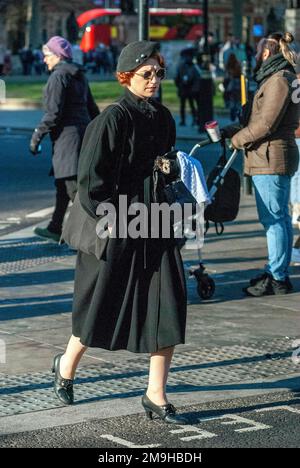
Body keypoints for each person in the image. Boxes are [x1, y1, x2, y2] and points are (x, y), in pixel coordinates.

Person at [51, 40, 188, 424]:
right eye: (147, 74)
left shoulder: (163, 117)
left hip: (157, 225)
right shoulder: (111, 120)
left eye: (159, 74)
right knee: (99, 309)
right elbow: (89, 181)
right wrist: (111, 220)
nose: (155, 80)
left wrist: (172, 171)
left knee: (168, 309)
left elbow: (167, 163)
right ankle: (65, 366)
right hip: (117, 226)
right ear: (126, 76)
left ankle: (155, 394)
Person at [225, 32, 300, 296]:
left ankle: (278, 276)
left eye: (258, 51)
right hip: (271, 155)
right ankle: (277, 270)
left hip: (271, 157)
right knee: (278, 218)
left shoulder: (279, 80)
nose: (254, 56)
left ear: (266, 53)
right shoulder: (279, 77)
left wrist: (238, 139)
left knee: (274, 219)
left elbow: (267, 123)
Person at [30, 36, 99, 242]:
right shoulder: (78, 75)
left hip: (67, 140)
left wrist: (36, 136)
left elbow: (53, 114)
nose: (44, 60)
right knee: (63, 185)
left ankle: (96, 235)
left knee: (75, 190)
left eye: (47, 56)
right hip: (81, 135)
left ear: (57, 56)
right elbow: (92, 109)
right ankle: (55, 227)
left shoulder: (58, 77)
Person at [174, 49, 201, 126]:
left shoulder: (183, 65)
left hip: (187, 88)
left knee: (189, 105)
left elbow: (177, 78)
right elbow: (177, 77)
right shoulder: (190, 66)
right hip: (186, 88)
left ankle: (190, 120)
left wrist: (179, 85)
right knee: (187, 105)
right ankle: (190, 120)